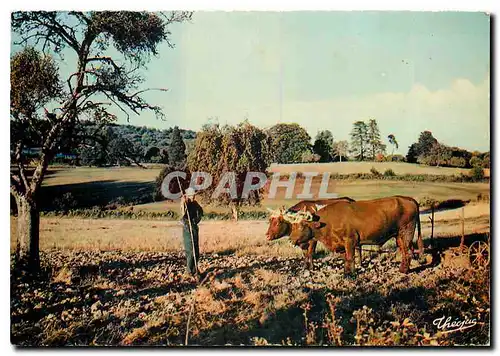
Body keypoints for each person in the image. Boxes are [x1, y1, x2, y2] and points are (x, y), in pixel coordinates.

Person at [180, 187, 204, 277]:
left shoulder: (195, 204)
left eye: (194, 195)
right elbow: (183, 213)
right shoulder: (185, 204)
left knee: (196, 250)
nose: (194, 196)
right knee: (190, 250)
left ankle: (195, 268)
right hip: (187, 228)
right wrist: (183, 203)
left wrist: (195, 221)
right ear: (188, 196)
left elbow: (201, 212)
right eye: (192, 195)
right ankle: (189, 271)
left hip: (194, 228)